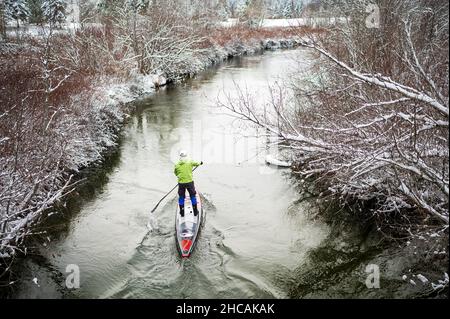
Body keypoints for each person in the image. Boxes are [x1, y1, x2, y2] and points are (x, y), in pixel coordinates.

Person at [174, 150, 203, 217]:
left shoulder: (177, 165)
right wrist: (200, 163)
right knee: (192, 195)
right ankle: (195, 212)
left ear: (180, 157)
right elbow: (197, 163)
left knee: (181, 197)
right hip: (189, 183)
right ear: (186, 156)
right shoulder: (190, 162)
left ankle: (182, 212)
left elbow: (176, 173)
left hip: (181, 183)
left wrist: (181, 176)